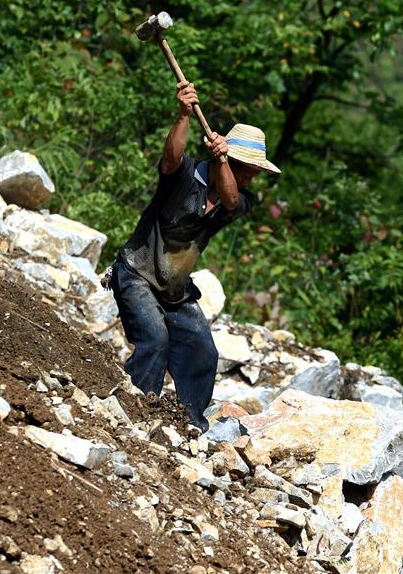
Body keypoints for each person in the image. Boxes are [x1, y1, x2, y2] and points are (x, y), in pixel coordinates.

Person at [106, 80, 281, 432]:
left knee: (203, 350)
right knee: (154, 339)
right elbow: (170, 158)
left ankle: (189, 421)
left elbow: (230, 199)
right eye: (247, 170)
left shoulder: (240, 199)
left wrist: (223, 165)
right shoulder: (185, 175)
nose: (250, 178)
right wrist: (184, 114)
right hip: (138, 271)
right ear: (231, 160)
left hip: (174, 287)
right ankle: (135, 409)